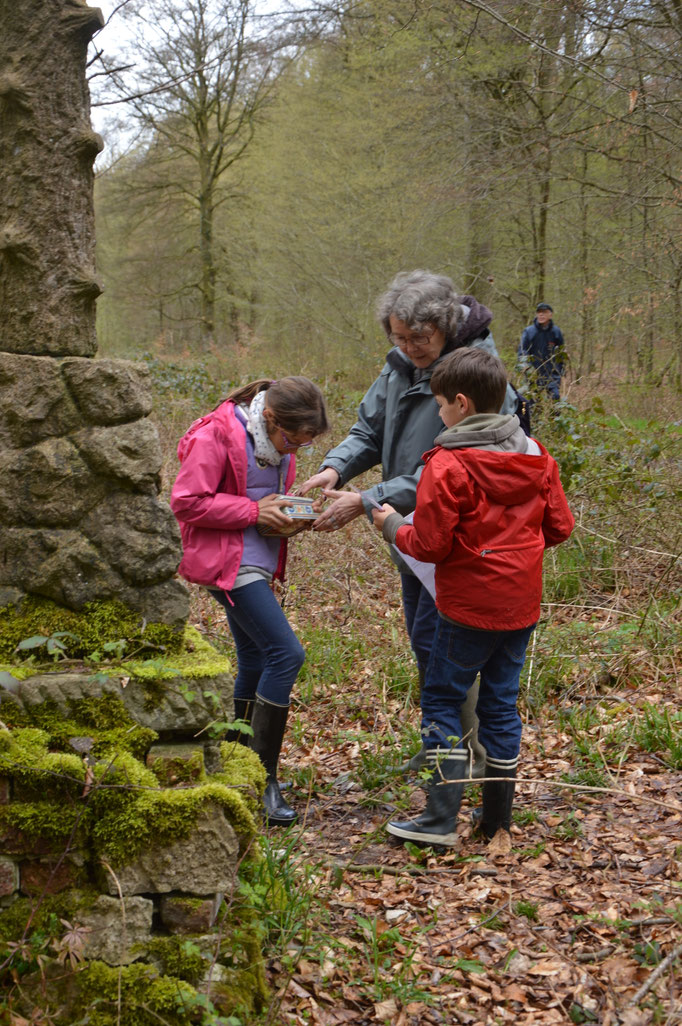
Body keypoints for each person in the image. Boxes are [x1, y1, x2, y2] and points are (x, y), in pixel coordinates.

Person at [300, 270, 517, 776]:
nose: (409, 346)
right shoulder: (399, 365)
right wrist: (336, 466)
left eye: (419, 337)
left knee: (449, 649)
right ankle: (445, 747)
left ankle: (467, 757)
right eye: (399, 337)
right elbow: (370, 428)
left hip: (459, 539)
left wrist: (367, 499)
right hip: (410, 531)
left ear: (445, 327)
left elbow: (450, 466)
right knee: (426, 641)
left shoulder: (477, 374)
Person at [372, 348, 574, 847]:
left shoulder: (449, 464)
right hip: (520, 607)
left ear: (461, 404)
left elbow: (430, 545)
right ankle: (496, 821)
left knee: (442, 698)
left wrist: (392, 524)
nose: (438, 413)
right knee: (501, 706)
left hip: (466, 609)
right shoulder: (535, 454)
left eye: (439, 404)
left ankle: (439, 820)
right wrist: (517, 552)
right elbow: (560, 527)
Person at [170, 377, 330, 826]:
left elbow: (263, 499)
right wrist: (254, 512)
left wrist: (290, 518)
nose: (294, 451)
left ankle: (237, 765)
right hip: (226, 565)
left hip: (258, 559)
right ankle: (262, 778)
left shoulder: (274, 443)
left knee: (258, 658)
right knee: (286, 653)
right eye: (292, 440)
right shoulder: (216, 435)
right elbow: (186, 501)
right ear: (271, 419)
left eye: (303, 445)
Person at [517, 302, 565, 400]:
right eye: (539, 312)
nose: (541, 314)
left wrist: (561, 371)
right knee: (533, 403)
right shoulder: (529, 331)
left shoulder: (556, 332)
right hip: (533, 374)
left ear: (550, 315)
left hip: (552, 375)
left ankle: (553, 416)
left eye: (544, 312)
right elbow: (522, 351)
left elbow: (561, 353)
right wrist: (526, 367)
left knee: (555, 399)